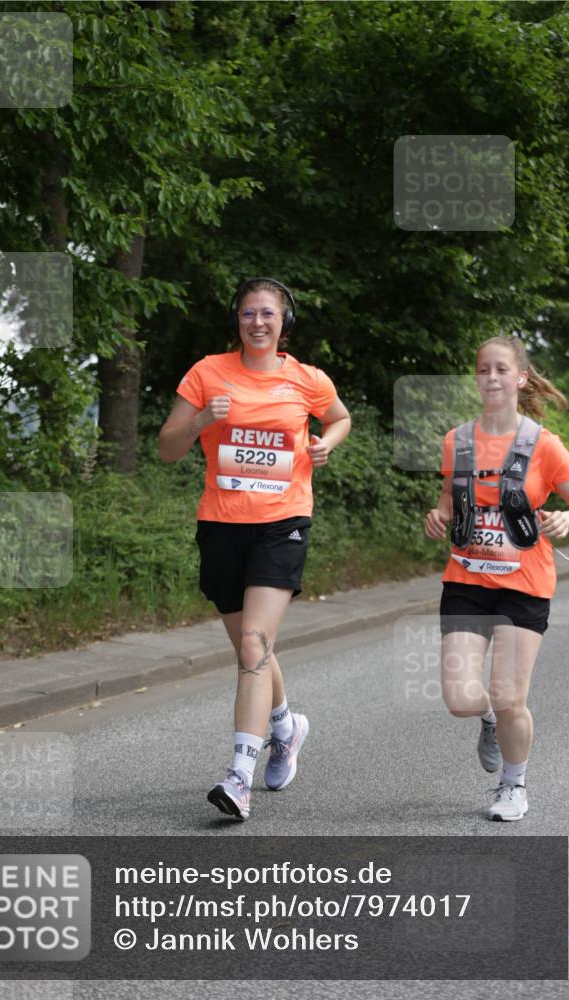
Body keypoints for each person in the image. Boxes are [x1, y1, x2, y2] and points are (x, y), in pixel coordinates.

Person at [159, 277, 351, 820]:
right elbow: (167, 449)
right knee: (253, 648)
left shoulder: (306, 379)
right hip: (221, 525)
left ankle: (238, 776)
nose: (258, 322)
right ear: (237, 320)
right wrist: (201, 420)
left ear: (283, 321)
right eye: (249, 313)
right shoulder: (206, 372)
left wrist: (324, 444)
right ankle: (286, 727)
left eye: (268, 313)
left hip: (282, 521)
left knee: (252, 645)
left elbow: (339, 417)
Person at [424, 335, 569, 821]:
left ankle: (513, 785)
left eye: (500, 370)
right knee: (459, 700)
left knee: (511, 695)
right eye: (482, 370)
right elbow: (448, 504)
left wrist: (566, 521)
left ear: (519, 378)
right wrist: (436, 519)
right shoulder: (457, 441)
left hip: (524, 583)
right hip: (466, 579)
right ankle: (489, 720)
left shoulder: (544, 444)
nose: (491, 378)